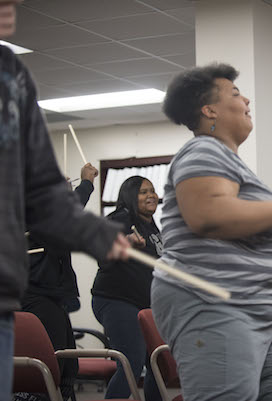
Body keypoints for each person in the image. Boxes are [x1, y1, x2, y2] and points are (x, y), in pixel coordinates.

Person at [153, 64, 272, 401]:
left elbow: (248, 238)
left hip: (256, 306)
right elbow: (207, 216)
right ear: (209, 110)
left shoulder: (230, 161)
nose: (245, 99)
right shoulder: (202, 150)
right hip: (214, 302)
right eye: (234, 93)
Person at [0, 2, 128, 400]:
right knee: (57, 361)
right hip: (31, 287)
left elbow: (45, 199)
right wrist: (85, 189)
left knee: (57, 366)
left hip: (25, 288)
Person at [20, 163, 100, 401]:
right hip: (35, 294)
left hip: (49, 294)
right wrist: (85, 184)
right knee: (51, 366)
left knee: (66, 365)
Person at [92, 176, 162, 401]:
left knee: (157, 363)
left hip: (144, 305)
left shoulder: (151, 226)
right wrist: (127, 242)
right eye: (143, 192)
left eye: (152, 190)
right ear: (131, 197)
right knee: (131, 360)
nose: (151, 195)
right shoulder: (120, 218)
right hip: (116, 300)